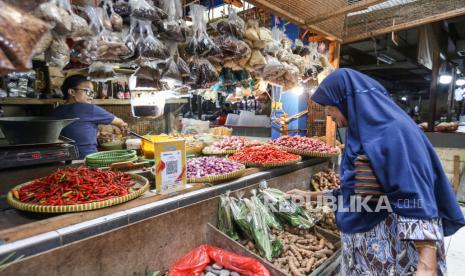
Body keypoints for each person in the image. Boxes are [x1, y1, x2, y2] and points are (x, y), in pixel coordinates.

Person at [288, 68, 465, 276]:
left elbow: (415, 199)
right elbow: (355, 194)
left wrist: (426, 265)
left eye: (330, 104)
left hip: (392, 254)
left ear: (347, 99)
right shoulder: (359, 134)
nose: (327, 112)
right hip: (364, 254)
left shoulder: (394, 132)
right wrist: (310, 197)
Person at [52, 75, 128, 159]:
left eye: (92, 92)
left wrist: (97, 134)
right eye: (87, 91)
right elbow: (119, 122)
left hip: (62, 158)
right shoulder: (88, 108)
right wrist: (123, 127)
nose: (91, 95)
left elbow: (74, 132)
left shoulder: (55, 111)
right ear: (72, 92)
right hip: (86, 158)